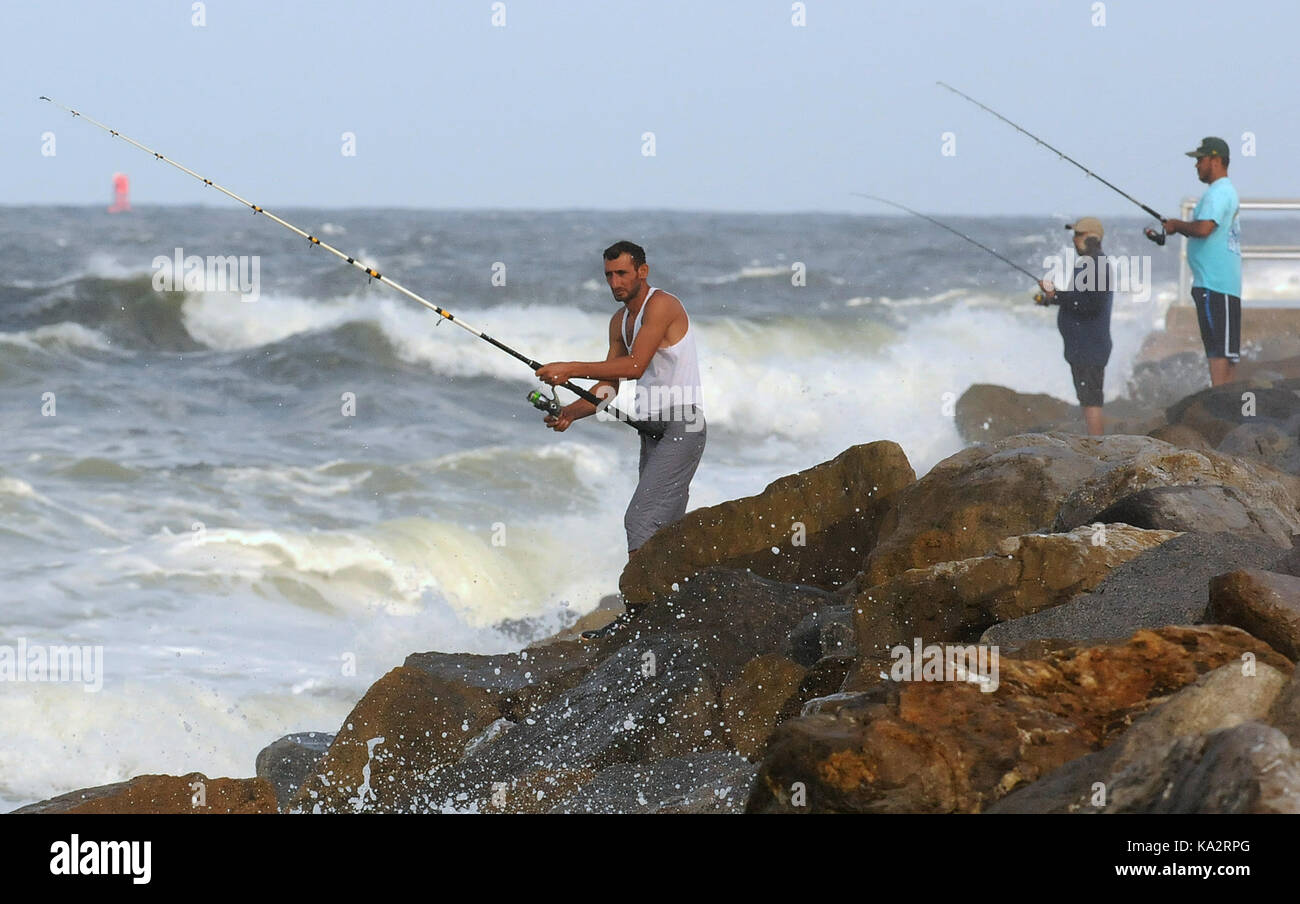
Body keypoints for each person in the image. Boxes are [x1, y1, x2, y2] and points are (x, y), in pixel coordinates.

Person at [535, 240, 706, 555]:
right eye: (609, 275)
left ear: (643, 271)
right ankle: (671, 595)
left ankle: (640, 602)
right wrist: (571, 413)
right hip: (651, 431)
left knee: (639, 519)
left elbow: (636, 366)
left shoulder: (662, 305)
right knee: (664, 530)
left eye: (622, 273)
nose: (615, 283)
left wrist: (570, 368)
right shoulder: (619, 322)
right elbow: (609, 386)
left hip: (684, 425)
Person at [1148, 137, 1241, 386]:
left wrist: (1176, 225)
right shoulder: (1225, 192)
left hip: (1213, 284)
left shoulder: (1218, 193)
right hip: (1224, 284)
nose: (1196, 165)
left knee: (1218, 351)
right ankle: (1228, 404)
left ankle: (1221, 403)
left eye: (1200, 159)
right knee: (1227, 352)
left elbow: (1203, 228)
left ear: (1216, 160)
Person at [1038, 217, 1113, 436]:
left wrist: (1056, 294)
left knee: (1091, 401)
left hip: (1090, 346)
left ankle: (1097, 449)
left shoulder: (1096, 263)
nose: (1074, 239)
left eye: (1079, 235)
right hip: (1084, 347)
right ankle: (1095, 446)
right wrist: (1051, 298)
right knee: (1087, 399)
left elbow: (1092, 304)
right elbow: (1079, 298)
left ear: (1092, 237)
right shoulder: (1090, 263)